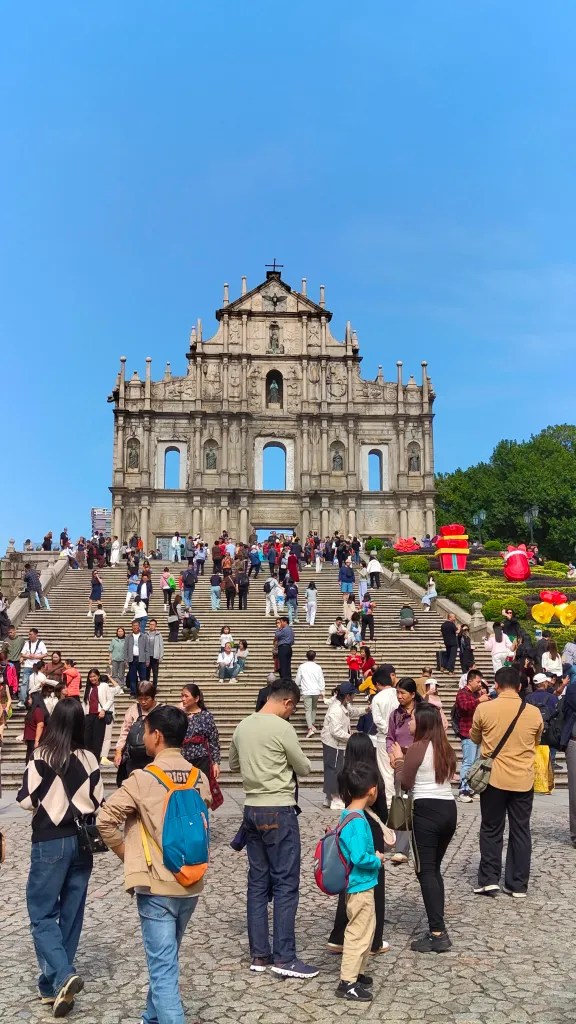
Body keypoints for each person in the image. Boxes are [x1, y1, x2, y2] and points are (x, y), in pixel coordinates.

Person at [97, 706, 211, 1024]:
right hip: (190, 882)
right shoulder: (197, 777)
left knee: (163, 967)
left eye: (146, 730)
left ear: (156, 736)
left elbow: (105, 820)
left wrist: (126, 854)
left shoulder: (142, 779)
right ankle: (151, 1016)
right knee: (166, 959)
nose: (143, 736)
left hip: (156, 884)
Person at [17, 699, 104, 1017]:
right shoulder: (90, 758)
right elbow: (97, 800)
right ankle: (51, 984)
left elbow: (26, 800)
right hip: (81, 842)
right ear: (81, 723)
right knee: (71, 913)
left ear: (53, 722)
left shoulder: (42, 756)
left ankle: (63, 976)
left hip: (49, 841)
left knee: (41, 915)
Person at [228, 679, 317, 978]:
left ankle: (260, 954)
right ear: (288, 702)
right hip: (279, 809)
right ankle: (285, 956)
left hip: (251, 809)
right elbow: (304, 767)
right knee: (285, 884)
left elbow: (233, 765)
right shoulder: (282, 728)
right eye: (292, 708)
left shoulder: (242, 726)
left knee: (257, 882)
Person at [471, 666, 543, 897]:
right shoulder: (533, 712)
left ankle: (489, 878)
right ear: (520, 686)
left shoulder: (484, 709)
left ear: (496, 685)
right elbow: (537, 739)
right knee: (521, 830)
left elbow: (474, 737)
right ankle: (517, 883)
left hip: (494, 778)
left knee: (491, 828)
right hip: (523, 779)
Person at [327, 734, 390, 962]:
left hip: (349, 826)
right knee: (374, 883)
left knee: (350, 880)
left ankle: (337, 936)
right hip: (370, 830)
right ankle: (374, 940)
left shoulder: (346, 776)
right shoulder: (372, 779)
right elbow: (383, 812)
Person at [401, 704, 457, 953]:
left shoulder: (417, 747)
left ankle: (437, 933)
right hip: (448, 809)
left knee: (426, 872)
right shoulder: (444, 747)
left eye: (412, 718)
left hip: (426, 811)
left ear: (422, 722)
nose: (409, 722)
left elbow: (404, 783)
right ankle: (437, 927)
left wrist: (397, 762)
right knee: (434, 870)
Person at [332, 761, 385, 1001]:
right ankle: (347, 982)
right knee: (358, 933)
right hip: (359, 885)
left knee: (367, 929)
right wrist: (377, 859)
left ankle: (358, 973)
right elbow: (359, 857)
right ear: (372, 789)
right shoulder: (357, 821)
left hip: (362, 885)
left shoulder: (350, 815)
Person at [387, 678, 422, 864]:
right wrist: (391, 754)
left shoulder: (423, 713)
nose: (399, 697)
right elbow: (390, 738)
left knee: (419, 802)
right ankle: (401, 849)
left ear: (413, 694)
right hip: (400, 761)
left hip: (420, 761)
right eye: (397, 693)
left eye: (403, 693)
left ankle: (421, 845)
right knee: (401, 802)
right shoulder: (394, 715)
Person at [455, 670, 489, 802]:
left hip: (479, 732)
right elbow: (464, 707)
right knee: (468, 762)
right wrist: (479, 700)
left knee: (476, 762)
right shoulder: (462, 693)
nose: (480, 684)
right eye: (478, 681)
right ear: (470, 681)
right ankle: (463, 789)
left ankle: (472, 787)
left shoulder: (476, 694)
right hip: (467, 731)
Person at [114, 681, 159, 779]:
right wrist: (118, 752)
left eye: (147, 699)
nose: (143, 702)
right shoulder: (133, 709)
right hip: (133, 757)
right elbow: (125, 731)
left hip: (154, 757)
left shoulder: (162, 710)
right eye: (140, 699)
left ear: (153, 697)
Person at [321, 683, 355, 809]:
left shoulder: (343, 704)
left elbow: (352, 712)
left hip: (338, 743)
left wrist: (366, 710)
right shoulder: (336, 709)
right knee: (335, 770)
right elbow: (336, 731)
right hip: (333, 743)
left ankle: (329, 798)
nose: (354, 697)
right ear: (347, 696)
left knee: (335, 769)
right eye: (353, 695)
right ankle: (335, 798)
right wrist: (351, 737)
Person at [181, 683, 221, 780]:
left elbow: (213, 740)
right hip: (182, 758)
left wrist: (215, 762)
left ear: (196, 698)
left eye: (186, 696)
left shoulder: (206, 716)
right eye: (182, 696)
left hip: (202, 758)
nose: (183, 699)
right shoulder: (179, 715)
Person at [371, 668, 399, 804]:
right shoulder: (398, 694)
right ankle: (402, 798)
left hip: (384, 738)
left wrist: (389, 730)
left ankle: (390, 801)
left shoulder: (377, 698)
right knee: (400, 768)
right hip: (401, 737)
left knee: (387, 771)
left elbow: (377, 719)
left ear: (377, 684)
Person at [83, 668, 115, 761]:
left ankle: (96, 760)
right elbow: (85, 702)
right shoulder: (88, 687)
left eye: (94, 676)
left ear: (98, 676)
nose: (92, 679)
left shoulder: (104, 685)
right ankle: (87, 759)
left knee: (97, 740)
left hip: (99, 716)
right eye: (90, 677)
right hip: (89, 716)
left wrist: (103, 710)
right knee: (87, 739)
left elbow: (110, 699)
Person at [295, 649, 326, 737]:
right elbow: (321, 679)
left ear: (306, 656)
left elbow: (298, 679)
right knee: (314, 708)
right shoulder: (318, 667)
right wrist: (322, 690)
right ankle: (312, 724)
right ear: (314, 657)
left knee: (308, 710)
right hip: (316, 690)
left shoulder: (302, 666)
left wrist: (296, 686)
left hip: (306, 690)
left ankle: (310, 728)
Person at [19, 628, 48, 706]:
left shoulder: (40, 643)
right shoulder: (27, 643)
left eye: (31, 634)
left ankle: (36, 699)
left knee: (36, 683)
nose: (29, 636)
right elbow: (22, 654)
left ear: (36, 634)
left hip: (36, 666)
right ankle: (22, 700)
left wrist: (36, 656)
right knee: (24, 682)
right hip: (27, 665)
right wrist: (29, 656)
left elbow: (45, 654)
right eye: (29, 634)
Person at [126, 621, 151, 695]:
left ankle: (143, 692)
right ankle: (133, 692)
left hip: (142, 659)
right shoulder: (128, 637)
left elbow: (147, 649)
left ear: (139, 626)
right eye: (134, 625)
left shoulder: (144, 636)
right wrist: (126, 660)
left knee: (143, 677)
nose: (135, 627)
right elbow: (126, 649)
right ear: (132, 627)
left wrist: (147, 660)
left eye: (136, 625)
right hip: (132, 659)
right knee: (132, 677)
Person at [275, 615, 295, 681]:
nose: (280, 624)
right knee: (287, 665)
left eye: (281, 622)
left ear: (285, 622)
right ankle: (288, 679)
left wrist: (278, 628)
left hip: (283, 648)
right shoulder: (291, 630)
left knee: (283, 665)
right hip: (289, 647)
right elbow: (292, 641)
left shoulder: (284, 629)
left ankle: (284, 680)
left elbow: (277, 635)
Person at [146, 619, 164, 686]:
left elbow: (161, 646)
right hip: (147, 657)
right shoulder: (146, 634)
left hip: (155, 657)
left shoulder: (158, 634)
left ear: (156, 626)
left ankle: (154, 688)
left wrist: (161, 656)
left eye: (153, 624)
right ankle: (147, 688)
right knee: (147, 674)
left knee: (155, 674)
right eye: (150, 624)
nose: (151, 626)